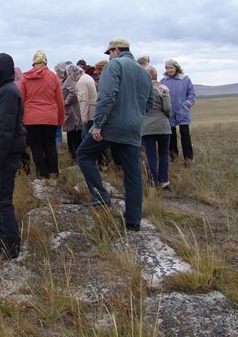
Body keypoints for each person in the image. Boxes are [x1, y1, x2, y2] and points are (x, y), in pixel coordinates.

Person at [76, 38, 153, 231]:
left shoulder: (115, 65)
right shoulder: (144, 72)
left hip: (111, 126)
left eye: (109, 52)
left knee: (83, 154)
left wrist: (98, 124)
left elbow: (107, 96)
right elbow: (149, 103)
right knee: (133, 173)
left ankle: (100, 197)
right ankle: (133, 221)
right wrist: (135, 116)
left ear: (116, 50)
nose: (109, 56)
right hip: (134, 127)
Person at [0, 53, 27, 260]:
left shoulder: (7, 93)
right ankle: (3, 242)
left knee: (1, 201)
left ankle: (10, 246)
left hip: (4, 155)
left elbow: (6, 132)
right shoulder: (2, 91)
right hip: (1, 153)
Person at [18, 50, 65, 180]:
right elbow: (60, 100)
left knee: (36, 147)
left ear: (33, 63)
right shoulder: (53, 76)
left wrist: (21, 119)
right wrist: (60, 119)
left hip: (31, 118)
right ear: (45, 62)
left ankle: (42, 174)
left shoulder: (25, 78)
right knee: (50, 146)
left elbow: (21, 100)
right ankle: (54, 173)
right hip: (50, 117)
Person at [141, 66, 172, 188]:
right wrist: (166, 117)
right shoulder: (163, 89)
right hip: (163, 126)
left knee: (151, 155)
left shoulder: (141, 90)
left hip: (147, 127)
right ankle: (164, 180)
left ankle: (152, 181)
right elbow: (168, 108)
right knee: (164, 153)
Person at [161, 59, 196, 164]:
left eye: (171, 67)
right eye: (167, 68)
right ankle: (173, 156)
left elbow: (192, 94)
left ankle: (188, 158)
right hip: (169, 112)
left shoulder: (185, 79)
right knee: (171, 136)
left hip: (182, 112)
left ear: (176, 68)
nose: (169, 70)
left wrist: (186, 105)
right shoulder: (163, 81)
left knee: (185, 134)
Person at [62, 64, 83, 161]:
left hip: (72, 110)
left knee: (73, 133)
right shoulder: (77, 80)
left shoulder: (70, 81)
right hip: (75, 110)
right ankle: (75, 155)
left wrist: (65, 102)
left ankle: (74, 155)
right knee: (75, 133)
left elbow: (73, 93)